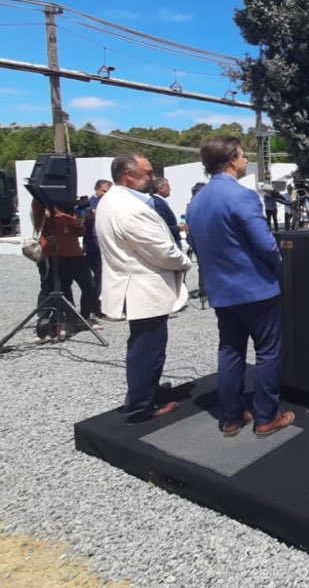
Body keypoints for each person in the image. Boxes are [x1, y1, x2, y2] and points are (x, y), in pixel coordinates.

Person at [186, 137, 293, 438]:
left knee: (231, 351)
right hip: (255, 288)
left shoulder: (197, 201)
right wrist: (275, 265)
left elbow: (195, 244)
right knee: (268, 353)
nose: (246, 161)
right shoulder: (242, 196)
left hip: (221, 290)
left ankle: (231, 417)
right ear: (232, 160)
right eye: (244, 156)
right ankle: (266, 416)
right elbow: (266, 245)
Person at [95, 153, 192, 423]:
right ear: (128, 175)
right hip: (142, 287)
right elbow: (159, 250)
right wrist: (185, 261)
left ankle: (145, 391)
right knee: (148, 347)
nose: (152, 177)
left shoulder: (112, 200)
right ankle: (141, 405)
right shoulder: (130, 208)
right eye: (148, 173)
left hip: (133, 282)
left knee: (144, 344)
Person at [34, 198, 102, 335]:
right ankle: (69, 319)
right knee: (63, 290)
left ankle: (84, 316)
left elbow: (79, 233)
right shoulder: (44, 216)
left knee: (89, 287)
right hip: (57, 257)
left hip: (77, 256)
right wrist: (44, 195)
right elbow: (37, 205)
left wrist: (81, 223)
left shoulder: (69, 215)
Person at [84, 179, 112, 295]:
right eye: (104, 191)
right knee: (99, 274)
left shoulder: (110, 203)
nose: (106, 194)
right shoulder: (89, 203)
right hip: (94, 244)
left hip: (107, 242)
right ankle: (96, 304)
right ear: (97, 189)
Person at [150, 177, 182, 249]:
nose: (170, 189)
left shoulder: (159, 202)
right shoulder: (158, 203)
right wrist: (180, 228)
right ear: (161, 189)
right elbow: (165, 227)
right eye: (168, 187)